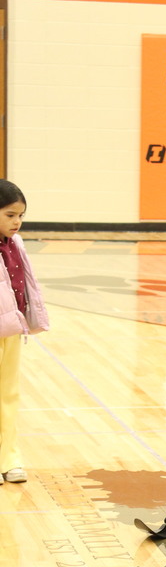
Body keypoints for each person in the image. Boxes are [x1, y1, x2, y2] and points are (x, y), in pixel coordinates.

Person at [0, 179, 50, 485]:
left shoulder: (16, 244)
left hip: (11, 331)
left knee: (9, 395)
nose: (17, 221)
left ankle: (9, 457)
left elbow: (26, 284)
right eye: (9, 215)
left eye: (21, 215)